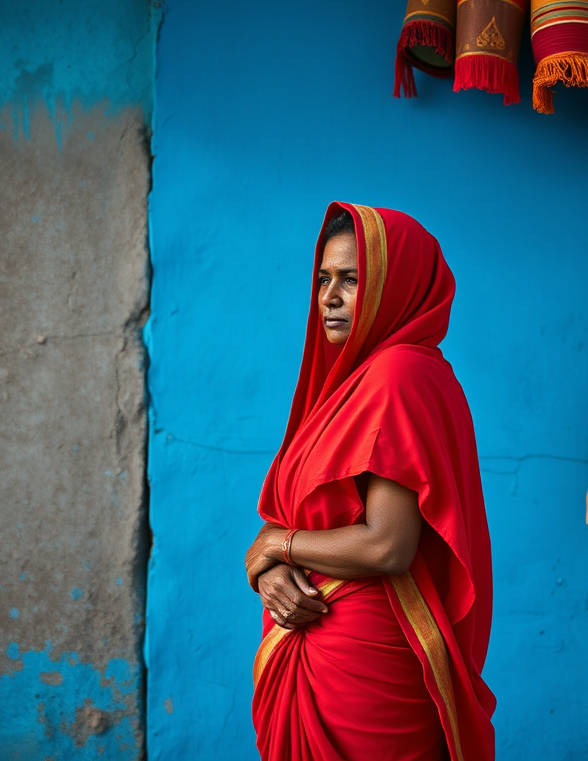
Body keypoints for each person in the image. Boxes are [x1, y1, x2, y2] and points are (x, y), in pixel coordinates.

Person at [245, 203, 496, 761]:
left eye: (352, 280)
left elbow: (388, 545)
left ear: (395, 285)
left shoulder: (398, 374)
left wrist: (273, 546)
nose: (330, 297)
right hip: (317, 638)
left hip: (363, 662)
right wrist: (273, 573)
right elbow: (318, 521)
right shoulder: (349, 386)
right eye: (324, 280)